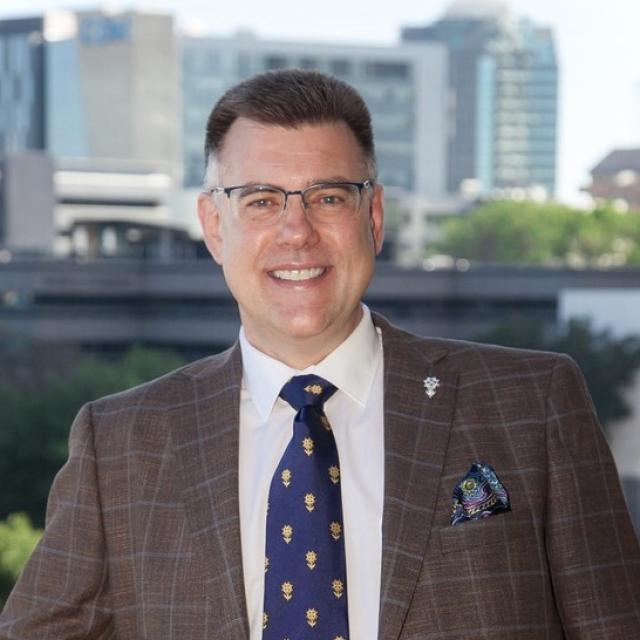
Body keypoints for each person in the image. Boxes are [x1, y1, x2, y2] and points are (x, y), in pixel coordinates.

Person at [1, 69, 639, 640]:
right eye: (261, 200)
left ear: (375, 217)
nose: (296, 231)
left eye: (329, 196)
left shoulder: (534, 402)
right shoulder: (120, 444)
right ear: (214, 226)